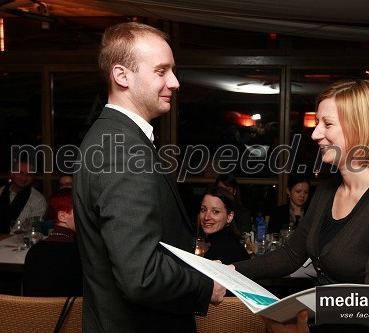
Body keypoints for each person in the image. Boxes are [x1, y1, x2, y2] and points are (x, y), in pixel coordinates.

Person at [233, 79, 369, 332]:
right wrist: (231, 270)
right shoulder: (326, 190)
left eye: (328, 124)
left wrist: (307, 316)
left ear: (360, 128)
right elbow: (291, 255)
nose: (315, 134)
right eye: (317, 122)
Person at [73, 22, 225, 332]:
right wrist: (205, 285)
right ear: (122, 75)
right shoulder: (121, 150)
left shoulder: (118, 138)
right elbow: (140, 275)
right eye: (161, 71)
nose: (175, 82)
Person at [23, 188, 82, 297]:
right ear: (62, 216)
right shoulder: (79, 253)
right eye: (80, 211)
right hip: (72, 313)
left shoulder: (35, 250)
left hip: (36, 313)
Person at [0, 159, 47, 234]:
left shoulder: (38, 200)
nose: (24, 178)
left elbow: (33, 230)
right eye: (20, 173)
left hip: (19, 243)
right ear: (12, 173)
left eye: (29, 175)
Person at [199, 186, 251, 265]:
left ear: (229, 216)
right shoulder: (229, 242)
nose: (206, 217)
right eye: (203, 210)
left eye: (215, 212)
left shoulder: (219, 252)